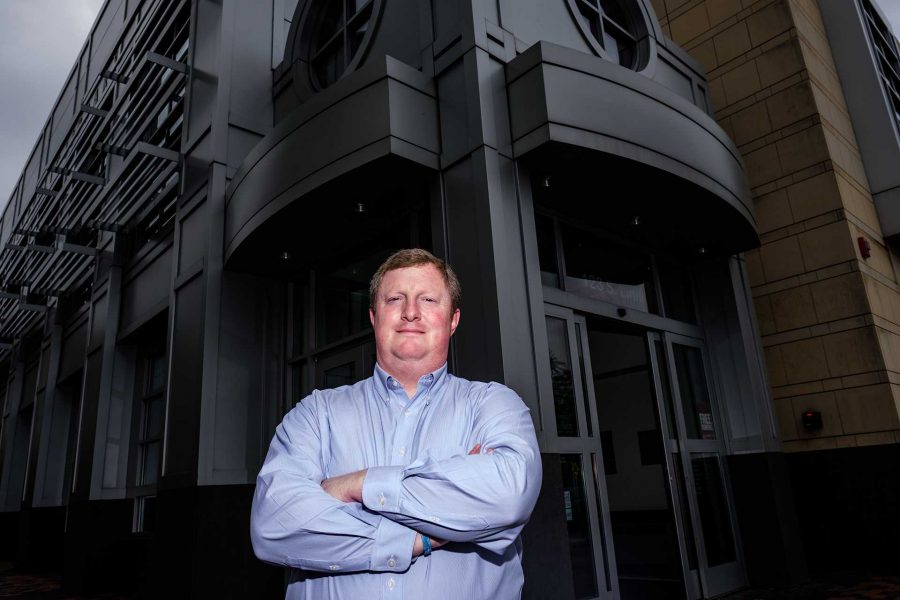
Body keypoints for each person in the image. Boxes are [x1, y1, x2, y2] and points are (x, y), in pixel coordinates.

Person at [250, 248, 542, 599]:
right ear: (374, 317)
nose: (411, 312)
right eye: (395, 299)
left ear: (453, 319)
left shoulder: (494, 405)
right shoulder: (316, 413)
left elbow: (507, 497)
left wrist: (359, 485)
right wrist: (420, 537)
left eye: (428, 299)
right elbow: (273, 525)